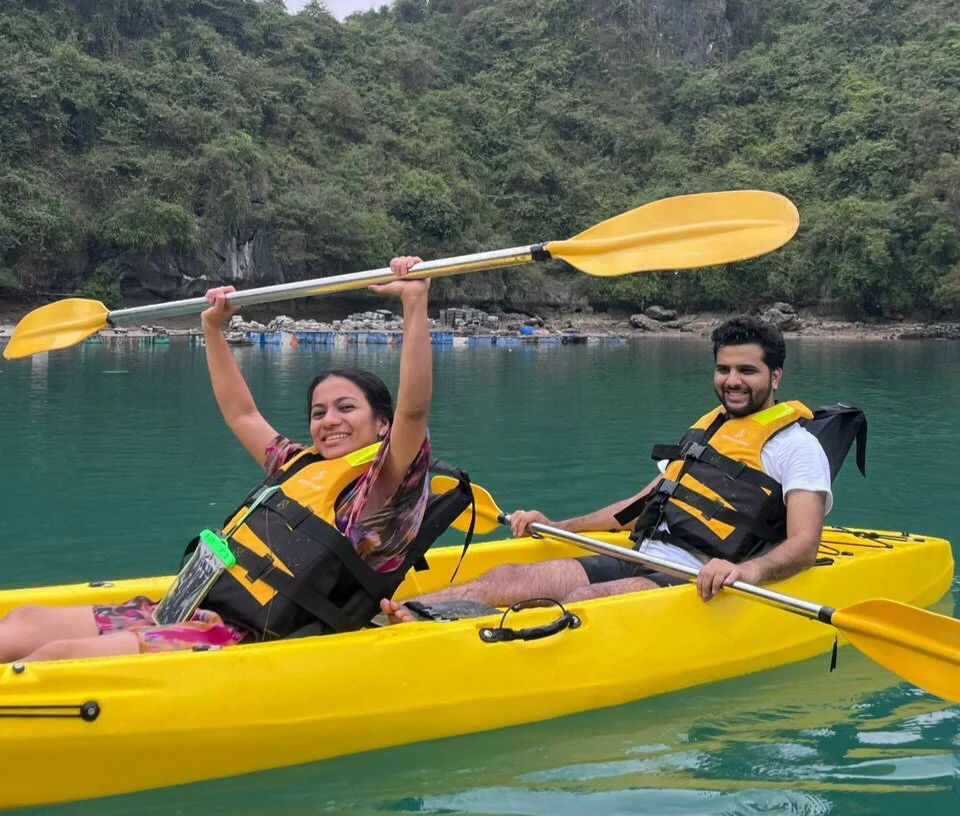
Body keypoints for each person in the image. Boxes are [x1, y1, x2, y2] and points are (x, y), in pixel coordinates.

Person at [0, 256, 463, 662]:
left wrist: (414, 303)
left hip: (234, 637)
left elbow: (413, 409)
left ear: (382, 425)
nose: (329, 421)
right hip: (188, 608)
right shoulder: (296, 464)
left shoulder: (381, 486)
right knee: (23, 623)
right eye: (318, 412)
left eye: (346, 408)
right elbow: (242, 414)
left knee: (56, 658)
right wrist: (213, 329)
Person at [383, 316, 832, 622]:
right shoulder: (710, 430)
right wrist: (557, 525)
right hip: (640, 556)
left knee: (582, 602)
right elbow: (640, 505)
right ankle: (401, 618)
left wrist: (748, 572)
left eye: (747, 370)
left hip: (697, 578)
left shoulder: (797, 448)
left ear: (775, 376)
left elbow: (804, 544)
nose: (732, 380)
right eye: (723, 369)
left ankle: (454, 649)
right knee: (508, 578)